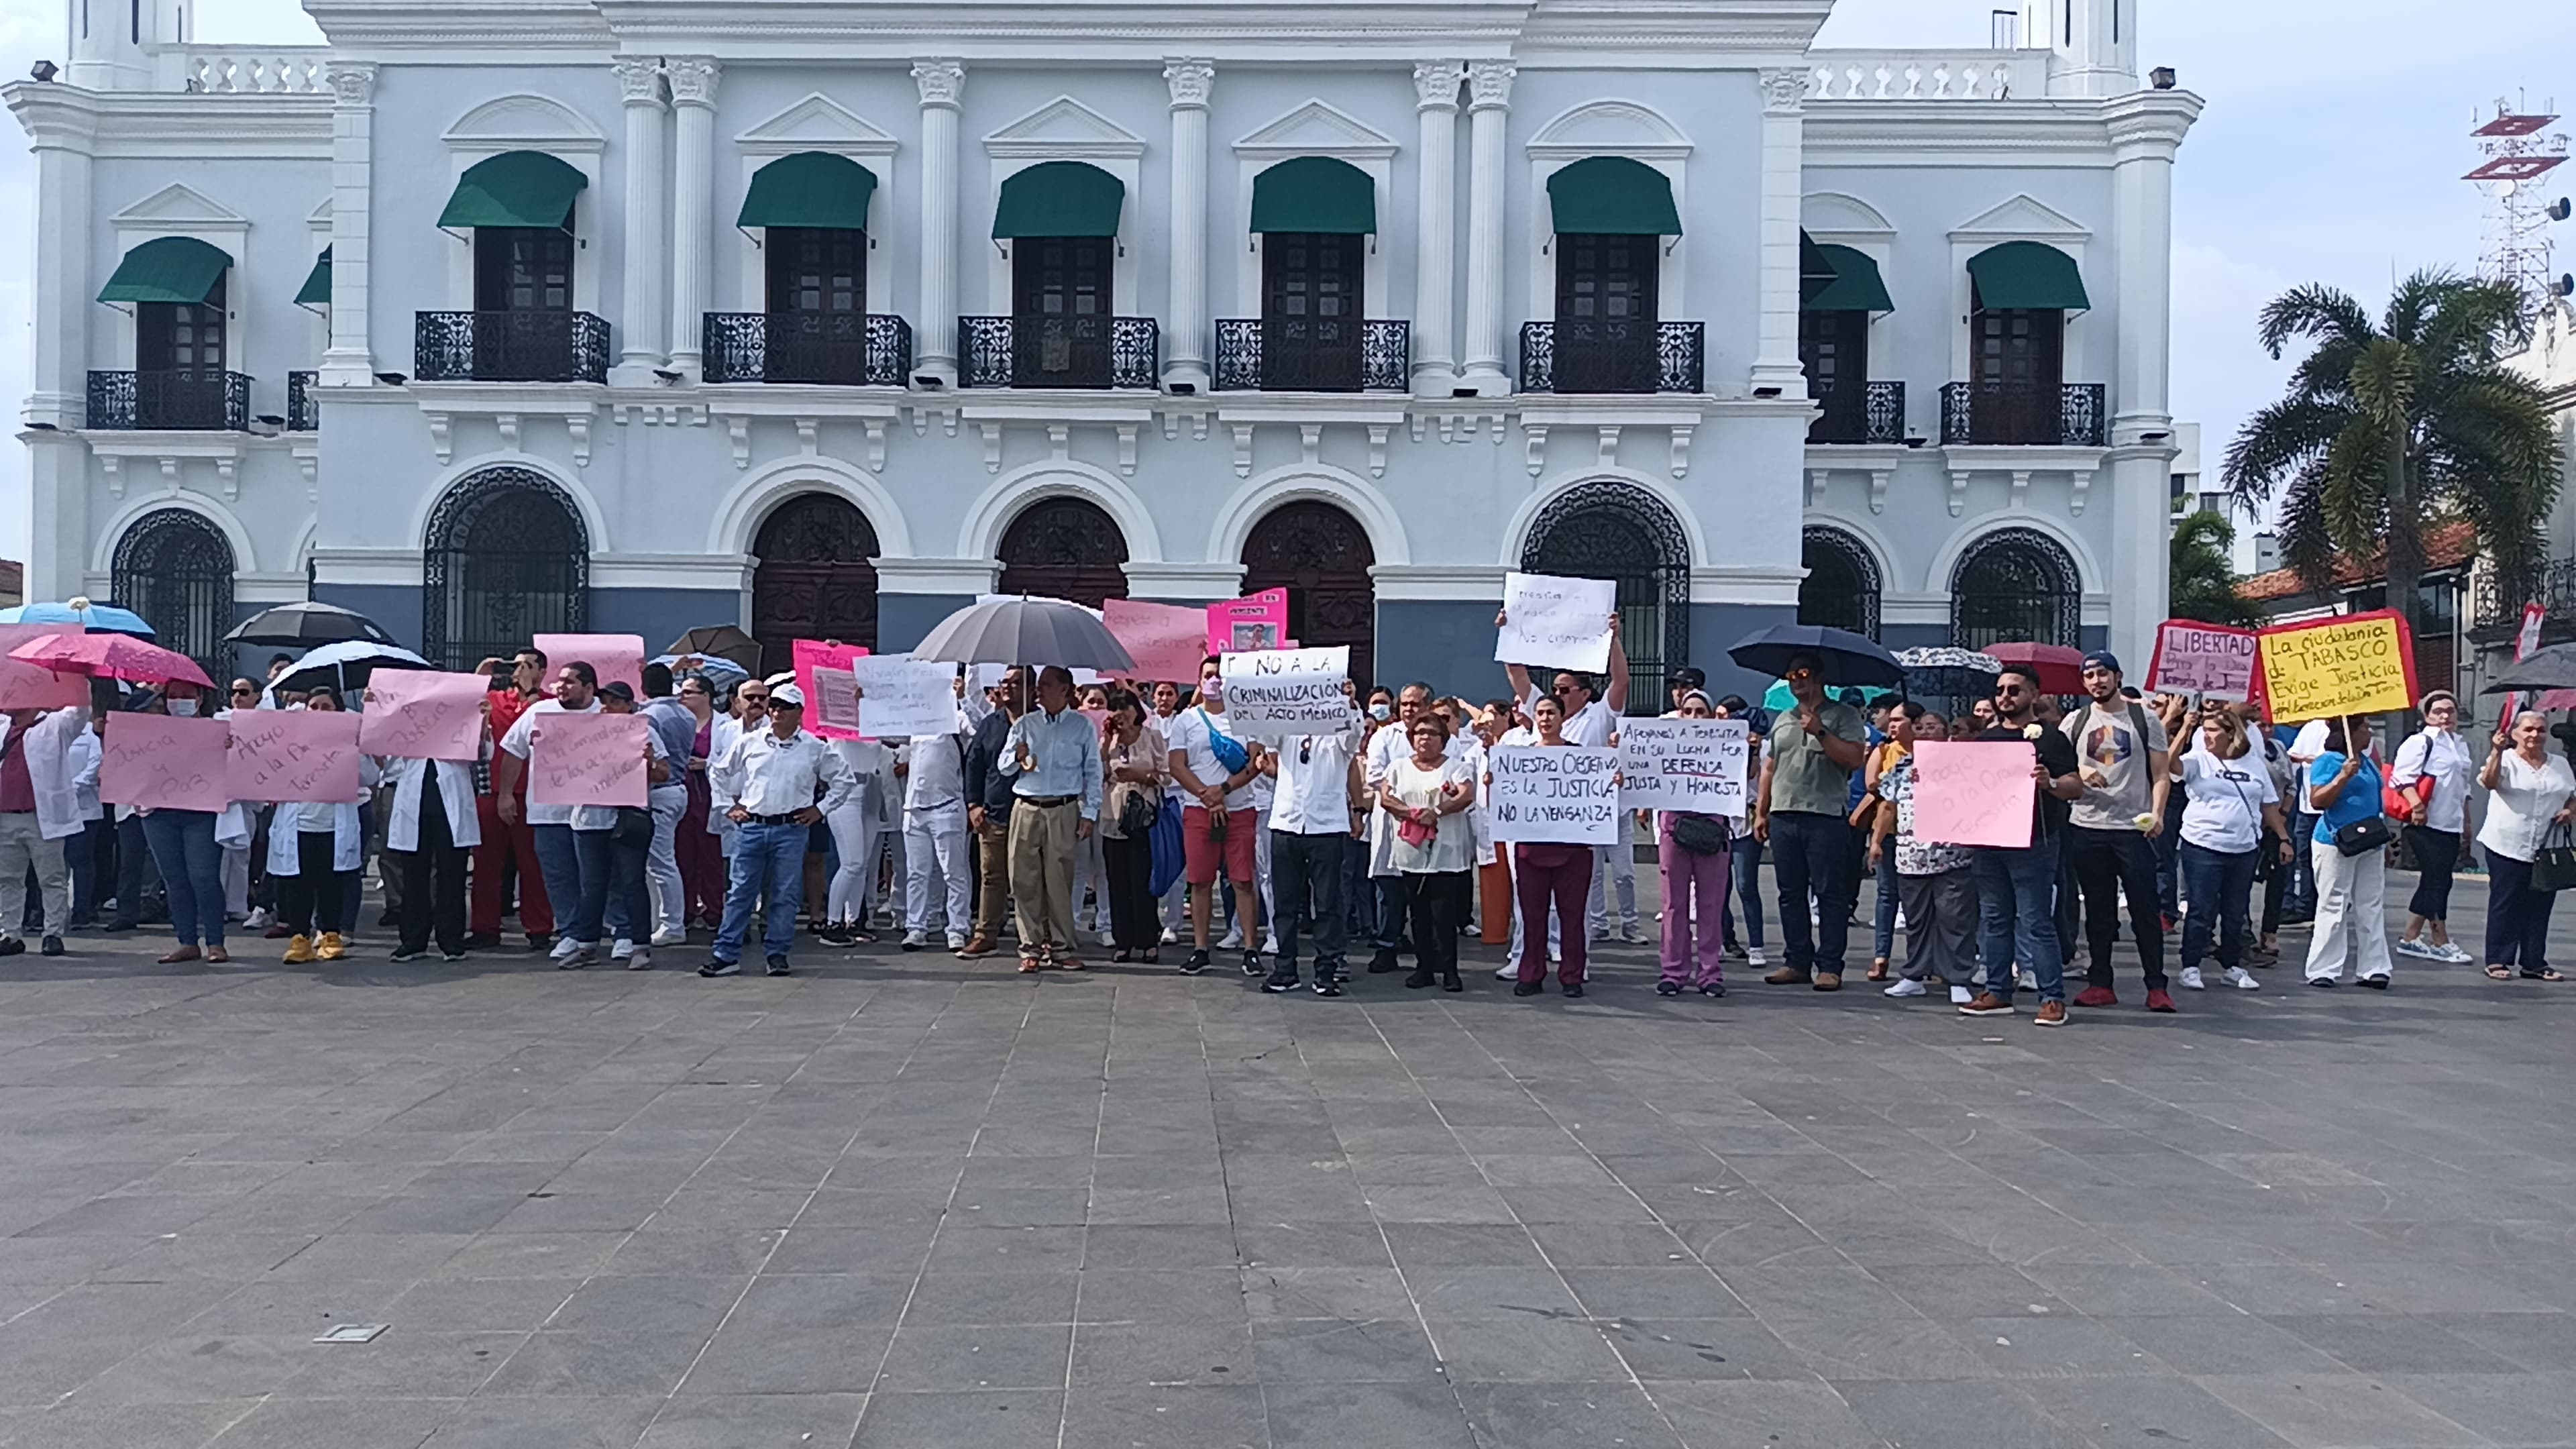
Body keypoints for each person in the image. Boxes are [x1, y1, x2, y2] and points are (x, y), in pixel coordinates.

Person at [1957, 667, 2085, 1026]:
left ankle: (2052, 997)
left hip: (2034, 841)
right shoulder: (1987, 738)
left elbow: (2076, 786)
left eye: (2015, 690)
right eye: (2000, 690)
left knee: (2035, 920)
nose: (2005, 696)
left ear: (2034, 694)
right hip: (1989, 841)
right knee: (1995, 918)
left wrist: (2051, 782)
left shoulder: (2050, 738)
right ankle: (1998, 991)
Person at [1501, 614, 1637, 944]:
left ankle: (1574, 951)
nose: (1556, 695)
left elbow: (1620, 682)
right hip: (1546, 817)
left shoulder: (1600, 715)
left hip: (1588, 816)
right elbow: (1517, 674)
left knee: (1582, 891)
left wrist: (1614, 640)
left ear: (1585, 693)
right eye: (1554, 690)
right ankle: (1529, 951)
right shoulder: (1544, 713)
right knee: (1533, 893)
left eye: (1564, 690)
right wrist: (1509, 631)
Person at [703, 684, 852, 977]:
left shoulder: (815, 748)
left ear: (799, 713)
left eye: (785, 707)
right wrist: (726, 806)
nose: (776, 711)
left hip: (790, 827)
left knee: (785, 894)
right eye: (775, 705)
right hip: (752, 825)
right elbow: (718, 770)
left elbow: (844, 781)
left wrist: (819, 810)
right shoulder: (750, 742)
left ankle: (777, 953)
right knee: (740, 891)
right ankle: (726, 953)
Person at [2061, 652, 2175, 1012]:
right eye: (2090, 676)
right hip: (2087, 825)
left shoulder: (2145, 719)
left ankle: (2156, 985)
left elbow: (2161, 774)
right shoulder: (2075, 722)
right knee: (2098, 910)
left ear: (2117, 676)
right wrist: (2079, 769)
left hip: (2133, 828)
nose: (2097, 681)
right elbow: (2060, 768)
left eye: (2103, 674)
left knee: (2145, 910)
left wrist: (2157, 814)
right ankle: (2100, 982)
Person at [1752, 653, 1868, 991]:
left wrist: (1820, 731)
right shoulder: (1784, 719)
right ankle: (1796, 960)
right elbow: (1770, 767)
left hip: (1825, 815)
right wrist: (1762, 811)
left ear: (1819, 677)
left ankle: (1830, 965)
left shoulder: (1843, 716)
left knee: (1830, 893)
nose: (1796, 681)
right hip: (1784, 814)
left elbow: (1854, 758)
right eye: (1791, 675)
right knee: (1789, 893)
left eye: (1802, 673)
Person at [2167, 703, 2287, 992]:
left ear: (2231, 733)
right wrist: (2185, 728)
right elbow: (2169, 765)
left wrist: (2283, 837)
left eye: (2212, 731)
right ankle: (2191, 965)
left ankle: (2232, 965)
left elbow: (2268, 803)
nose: (2206, 736)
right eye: (2204, 730)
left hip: (2243, 847)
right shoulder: (2199, 760)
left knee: (2235, 910)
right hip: (2203, 845)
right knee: (2201, 909)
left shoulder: (2253, 764)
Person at [494, 662, 605, 969]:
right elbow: (514, 752)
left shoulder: (605, 713)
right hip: (547, 810)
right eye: (559, 681)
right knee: (557, 875)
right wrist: (505, 794)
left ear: (589, 688)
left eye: (569, 682)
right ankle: (570, 931)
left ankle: (598, 931)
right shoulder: (538, 711)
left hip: (592, 812)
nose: (560, 686)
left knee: (592, 877)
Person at [1870, 710, 1978, 1003]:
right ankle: (1914, 974)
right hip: (1911, 855)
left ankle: (1958, 977)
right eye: (1920, 727)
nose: (1926, 732)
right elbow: (1887, 806)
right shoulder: (1902, 767)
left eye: (1933, 727)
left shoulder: (1962, 766)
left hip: (1952, 855)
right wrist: (1877, 841)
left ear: (1946, 733)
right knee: (1916, 919)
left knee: (1955, 919)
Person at [1166, 657, 1264, 976]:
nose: (1215, 681)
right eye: (1209, 676)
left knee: (1243, 880)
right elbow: (1177, 765)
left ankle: (1250, 947)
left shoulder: (1246, 719)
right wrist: (1206, 796)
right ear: (1198, 681)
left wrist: (1223, 789)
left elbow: (1255, 763)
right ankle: (1200, 948)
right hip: (1199, 810)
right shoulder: (1186, 720)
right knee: (1200, 880)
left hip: (1239, 808)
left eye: (1220, 676)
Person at [1001, 665, 1102, 972]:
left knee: (1059, 880)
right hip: (1027, 806)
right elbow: (1003, 767)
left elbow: (1093, 773)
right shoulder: (1025, 724)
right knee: (1024, 879)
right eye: (1039, 685)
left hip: (1063, 807)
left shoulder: (1082, 727)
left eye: (1046, 684)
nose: (1039, 690)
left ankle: (1060, 946)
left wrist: (1089, 813)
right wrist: (1016, 756)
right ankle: (1029, 946)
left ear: (1065, 690)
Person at [268, 687, 380, 963]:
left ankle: (330, 934)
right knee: (298, 885)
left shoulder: (348, 744)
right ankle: (299, 939)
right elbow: (268, 773)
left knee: (332, 884)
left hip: (334, 826)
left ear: (339, 711)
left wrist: (356, 747)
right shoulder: (289, 744)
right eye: (314, 706)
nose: (319, 712)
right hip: (298, 827)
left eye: (326, 707)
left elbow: (369, 777)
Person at [379, 692, 486, 963]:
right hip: (414, 808)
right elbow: (384, 745)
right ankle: (413, 941)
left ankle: (451, 940)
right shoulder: (409, 725)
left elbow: (481, 753)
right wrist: (377, 706)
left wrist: (482, 721)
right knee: (414, 877)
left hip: (451, 809)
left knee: (452, 876)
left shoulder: (461, 723)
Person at [1264, 699, 1362, 994]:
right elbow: (1266, 737)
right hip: (1287, 822)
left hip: (1327, 825)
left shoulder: (1338, 730)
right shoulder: (1287, 727)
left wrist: (1348, 703)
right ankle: (1285, 969)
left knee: (1328, 903)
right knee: (1285, 903)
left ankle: (1327, 970)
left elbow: (1353, 737)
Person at [2475, 710, 2576, 983]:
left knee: (2540, 903)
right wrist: (2496, 752)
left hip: (2546, 846)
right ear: (2515, 733)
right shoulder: (2505, 759)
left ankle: (2534, 961)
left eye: (2541, 730)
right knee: (2505, 902)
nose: (2535, 735)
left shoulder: (2559, 764)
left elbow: (2572, 795)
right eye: (2529, 729)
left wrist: (2570, 811)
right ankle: (2498, 959)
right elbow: (2489, 782)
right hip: (2507, 842)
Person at [1507, 694, 1597, 998]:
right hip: (1531, 848)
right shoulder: (1518, 759)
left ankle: (1572, 976)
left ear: (1562, 718)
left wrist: (1612, 780)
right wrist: (1497, 782)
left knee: (1572, 914)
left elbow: (1597, 792)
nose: (1545, 719)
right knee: (1532, 915)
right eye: (1541, 713)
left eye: (1551, 713)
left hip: (1573, 849)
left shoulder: (1581, 757)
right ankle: (1530, 973)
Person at [1380, 712, 1477, 992]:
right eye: (1420, 732)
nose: (1425, 738)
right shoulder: (1398, 767)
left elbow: (1465, 795)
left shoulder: (1457, 767)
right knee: (1418, 913)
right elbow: (1387, 797)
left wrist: (1437, 811)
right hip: (1413, 850)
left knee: (1444, 913)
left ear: (1443, 740)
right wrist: (1410, 813)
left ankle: (1449, 969)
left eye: (1432, 733)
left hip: (1446, 851)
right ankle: (1423, 968)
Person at [468, 649, 554, 951]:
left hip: (533, 793)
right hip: (492, 789)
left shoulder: (549, 704)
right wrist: (481, 676)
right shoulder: (493, 700)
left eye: (527, 666)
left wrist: (532, 694)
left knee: (534, 864)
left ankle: (540, 926)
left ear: (542, 671)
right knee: (486, 864)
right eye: (515, 665)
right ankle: (485, 927)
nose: (518, 671)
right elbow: (461, 709)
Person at [2302, 715, 2394, 989]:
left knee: (2371, 904)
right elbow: (2318, 800)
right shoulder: (2328, 761)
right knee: (2334, 903)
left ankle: (2374, 967)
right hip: (2336, 839)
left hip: (2369, 840)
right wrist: (2342, 777)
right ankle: (2323, 968)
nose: (2370, 732)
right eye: (2365, 727)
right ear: (2350, 732)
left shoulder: (2366, 762)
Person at [1654, 690, 1732, 998]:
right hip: (1675, 829)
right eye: (1689, 711)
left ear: (1711, 717)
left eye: (1701, 711)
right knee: (1673, 905)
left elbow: (1747, 775)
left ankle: (1710, 972)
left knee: (1711, 905)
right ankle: (1673, 971)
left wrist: (1749, 749)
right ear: (1680, 715)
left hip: (1711, 830)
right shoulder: (1665, 746)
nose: (1695, 717)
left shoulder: (1726, 747)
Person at [2390, 691, 2475, 963]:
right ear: (2427, 716)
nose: (2445, 716)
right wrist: (2417, 806)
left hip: (2451, 822)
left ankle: (2411, 936)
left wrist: (2466, 820)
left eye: (2450, 710)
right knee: (2437, 880)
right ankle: (2440, 939)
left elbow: (2464, 788)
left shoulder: (2459, 745)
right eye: (2438, 711)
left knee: (2437, 880)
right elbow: (2401, 779)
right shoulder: (2420, 742)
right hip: (2425, 822)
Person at [594, 682, 672, 969]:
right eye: (604, 702)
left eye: (615, 702)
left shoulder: (645, 732)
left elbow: (666, 773)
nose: (607, 708)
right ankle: (606, 935)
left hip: (632, 815)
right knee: (596, 881)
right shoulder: (589, 733)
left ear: (629, 706)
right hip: (594, 817)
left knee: (631, 880)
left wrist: (650, 762)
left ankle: (639, 942)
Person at [899, 681, 976, 953]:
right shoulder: (916, 719)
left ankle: (957, 927)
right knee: (917, 873)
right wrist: (867, 702)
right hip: (915, 807)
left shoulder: (957, 717)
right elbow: (886, 731)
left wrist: (964, 699)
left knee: (953, 872)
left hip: (947, 805)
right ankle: (916, 926)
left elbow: (976, 729)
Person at [1098, 688, 1167, 966]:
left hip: (1142, 815)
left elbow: (1166, 776)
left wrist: (1140, 775)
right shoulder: (1109, 741)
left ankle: (1148, 939)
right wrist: (1106, 744)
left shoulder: (1152, 737)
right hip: (1113, 815)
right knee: (1118, 881)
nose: (1121, 714)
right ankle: (1122, 940)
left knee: (1142, 880)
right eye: (1115, 708)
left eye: (1125, 707)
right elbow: (1097, 772)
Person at [959, 667, 1024, 960]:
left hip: (1030, 812)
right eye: (1005, 682)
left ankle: (1033, 937)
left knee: (1029, 879)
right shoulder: (990, 724)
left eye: (1016, 683)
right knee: (992, 877)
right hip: (994, 812)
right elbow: (974, 765)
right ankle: (986, 934)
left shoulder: (1038, 722)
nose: (1007, 688)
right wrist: (973, 804)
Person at [637, 663, 697, 947]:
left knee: (661, 862)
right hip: (678, 788)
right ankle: (655, 919)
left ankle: (672, 923)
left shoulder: (648, 716)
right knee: (657, 861)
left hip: (660, 789)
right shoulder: (685, 713)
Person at [1857, 702, 1914, 981]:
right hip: (1890, 831)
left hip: (1920, 835)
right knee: (1887, 895)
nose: (1892, 725)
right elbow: (1872, 785)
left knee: (1919, 900)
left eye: (1899, 720)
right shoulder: (1883, 751)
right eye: (1890, 720)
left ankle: (1922, 958)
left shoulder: (1929, 754)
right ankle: (1881, 956)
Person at [1713, 694, 1768, 969]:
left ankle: (1756, 945)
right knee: (1719, 886)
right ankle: (1724, 939)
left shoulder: (1763, 747)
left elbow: (1752, 776)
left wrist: (1754, 750)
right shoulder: (1716, 745)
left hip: (1746, 821)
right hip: (1720, 821)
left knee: (1747, 885)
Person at [673, 672, 725, 928]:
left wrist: (707, 764)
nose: (682, 697)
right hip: (684, 795)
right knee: (683, 855)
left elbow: (732, 759)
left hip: (710, 795)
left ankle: (714, 908)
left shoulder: (724, 725)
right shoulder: (679, 721)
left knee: (711, 856)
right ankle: (687, 908)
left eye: (688, 692)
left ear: (705, 695)